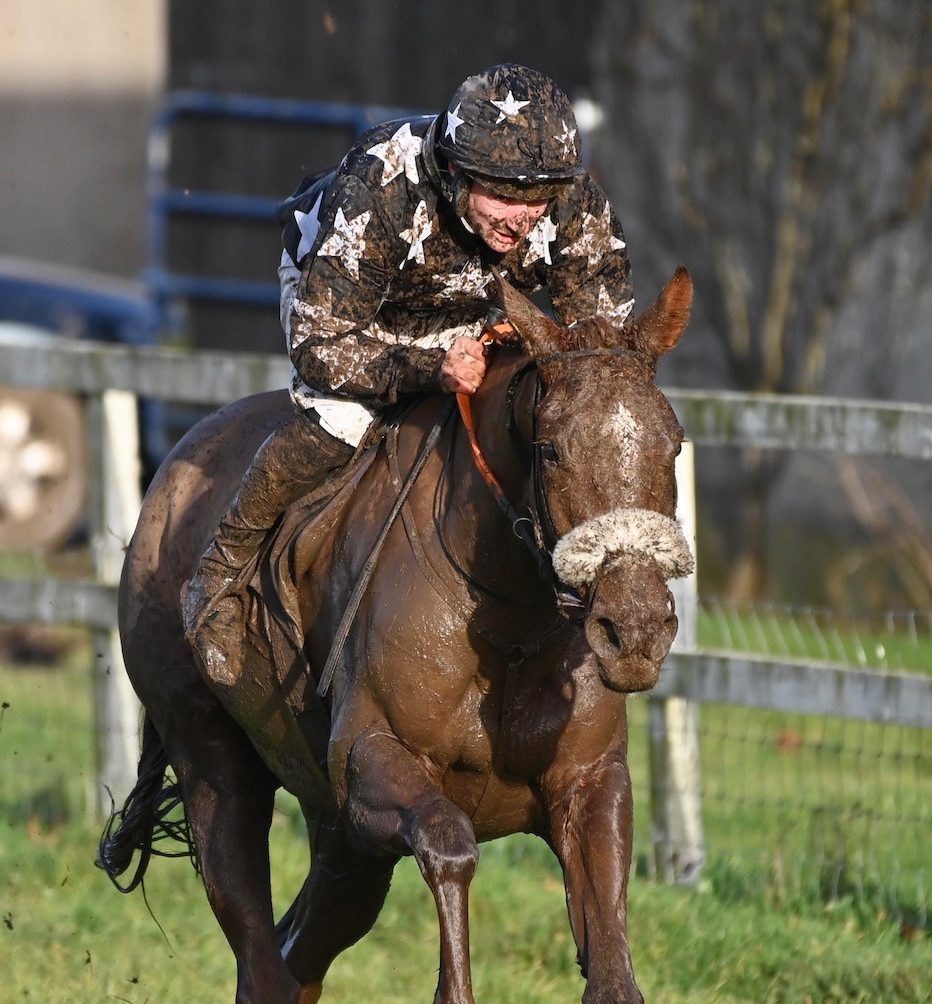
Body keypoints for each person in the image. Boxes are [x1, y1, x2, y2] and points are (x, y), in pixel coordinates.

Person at [182, 63, 635, 685]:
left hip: (473, 306)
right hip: (353, 309)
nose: (522, 216)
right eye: (502, 194)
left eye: (538, 198)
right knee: (341, 421)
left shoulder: (570, 200)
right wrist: (428, 367)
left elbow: (606, 349)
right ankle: (218, 574)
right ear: (453, 173)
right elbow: (321, 345)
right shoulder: (385, 181)